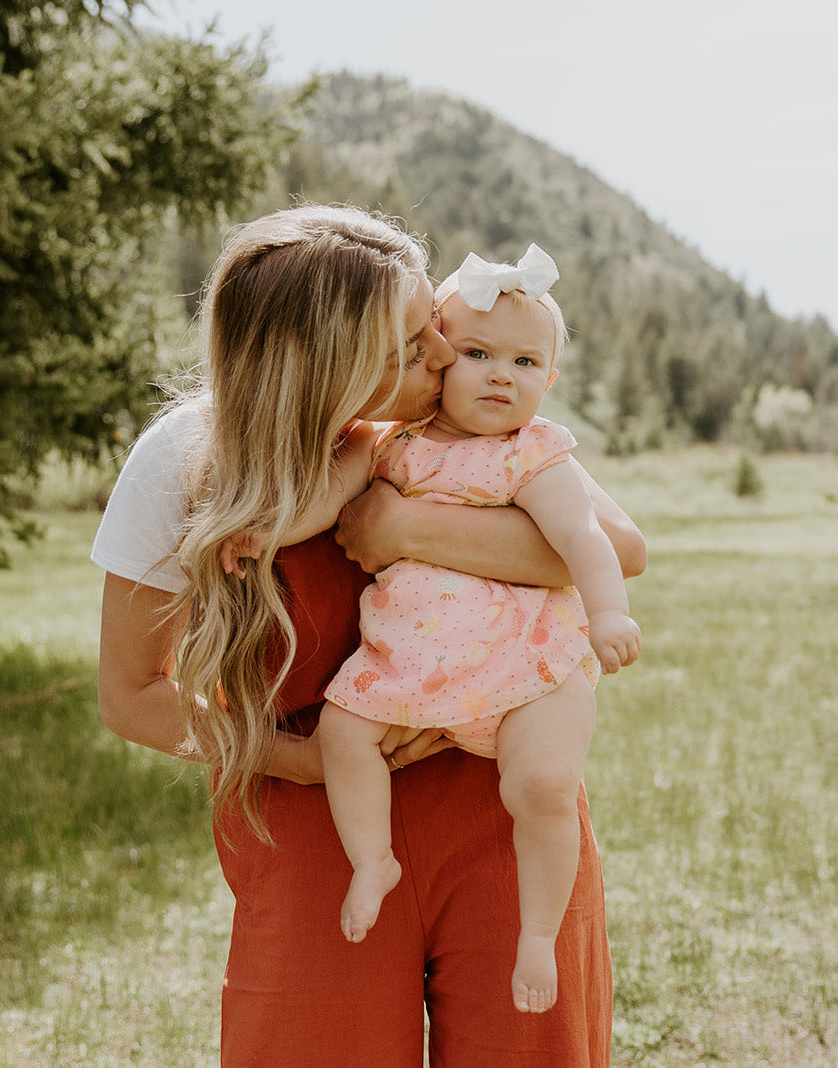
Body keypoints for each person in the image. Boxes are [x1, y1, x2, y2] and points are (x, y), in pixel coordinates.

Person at [91, 204, 646, 1065]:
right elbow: (132, 698)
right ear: (322, 366)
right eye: (409, 346)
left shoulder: (463, 424)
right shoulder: (186, 458)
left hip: (499, 796)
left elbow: (615, 550)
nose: (442, 353)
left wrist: (401, 532)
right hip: (315, 818)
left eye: (432, 325)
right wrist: (297, 760)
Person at [218, 244, 641, 1015]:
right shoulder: (388, 443)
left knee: (543, 783)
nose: (498, 374)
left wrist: (608, 612)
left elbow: (587, 538)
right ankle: (372, 859)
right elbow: (325, 501)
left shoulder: (534, 453)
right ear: (439, 357)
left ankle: (539, 935)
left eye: (523, 361)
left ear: (548, 381)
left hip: (524, 661)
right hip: (411, 662)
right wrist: (264, 531)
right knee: (345, 734)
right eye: (475, 353)